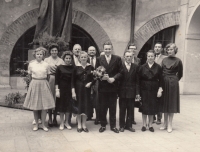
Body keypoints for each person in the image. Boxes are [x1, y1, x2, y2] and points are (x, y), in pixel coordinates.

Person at [23, 47, 55, 132]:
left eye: (41, 54)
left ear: (43, 55)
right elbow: (29, 76)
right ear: (35, 55)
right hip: (35, 84)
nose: (39, 56)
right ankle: (36, 124)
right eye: (38, 54)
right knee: (35, 106)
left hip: (44, 84)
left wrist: (43, 82)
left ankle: (43, 124)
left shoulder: (46, 65)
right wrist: (34, 83)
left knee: (44, 106)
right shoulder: (31, 64)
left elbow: (48, 76)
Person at [96, 41, 123, 133]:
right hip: (102, 87)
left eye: (109, 49)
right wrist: (101, 77)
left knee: (113, 107)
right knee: (102, 107)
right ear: (103, 49)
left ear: (111, 49)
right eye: (106, 49)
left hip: (113, 87)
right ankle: (103, 125)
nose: (107, 50)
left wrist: (113, 79)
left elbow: (121, 72)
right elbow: (96, 72)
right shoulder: (99, 58)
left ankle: (113, 126)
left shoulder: (117, 58)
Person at [159, 43, 183, 133]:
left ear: (175, 50)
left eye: (171, 49)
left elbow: (180, 74)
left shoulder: (178, 61)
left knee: (171, 103)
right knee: (165, 102)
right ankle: (164, 123)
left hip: (173, 83)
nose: (169, 51)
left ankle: (170, 124)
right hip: (164, 82)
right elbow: (161, 72)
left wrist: (174, 79)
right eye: (168, 50)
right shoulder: (164, 60)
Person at [138, 50, 163, 132]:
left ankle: (151, 124)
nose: (150, 58)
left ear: (154, 57)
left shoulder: (158, 67)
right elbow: (138, 80)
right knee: (144, 106)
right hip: (144, 89)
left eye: (152, 56)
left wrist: (160, 89)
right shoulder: (142, 67)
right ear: (146, 57)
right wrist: (138, 92)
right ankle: (144, 124)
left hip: (154, 89)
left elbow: (161, 80)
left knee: (152, 107)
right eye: (149, 56)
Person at [71, 51, 94, 133]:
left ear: (87, 58)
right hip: (78, 89)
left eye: (85, 57)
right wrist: (73, 92)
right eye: (82, 57)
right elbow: (72, 81)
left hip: (87, 90)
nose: (83, 58)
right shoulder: (76, 67)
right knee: (79, 106)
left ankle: (84, 124)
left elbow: (94, 78)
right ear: (79, 58)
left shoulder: (90, 67)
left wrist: (91, 83)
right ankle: (79, 124)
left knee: (86, 106)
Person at [44, 43, 65, 127]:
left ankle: (55, 118)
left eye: (56, 50)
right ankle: (49, 118)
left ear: (58, 51)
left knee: (56, 99)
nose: (54, 52)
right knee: (50, 99)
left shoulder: (61, 61)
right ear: (50, 51)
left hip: (58, 81)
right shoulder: (46, 60)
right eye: (52, 50)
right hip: (50, 80)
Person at [118, 51, 139, 132]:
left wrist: (137, 93)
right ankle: (122, 125)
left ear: (132, 57)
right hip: (122, 92)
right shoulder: (120, 66)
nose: (129, 58)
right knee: (122, 109)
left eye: (130, 56)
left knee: (130, 109)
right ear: (124, 57)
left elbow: (137, 81)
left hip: (131, 92)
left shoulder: (135, 67)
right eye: (127, 56)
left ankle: (129, 125)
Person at [55, 51, 74, 130]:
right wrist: (57, 90)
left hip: (69, 89)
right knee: (61, 107)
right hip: (61, 89)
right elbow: (56, 80)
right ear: (64, 59)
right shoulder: (59, 67)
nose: (68, 60)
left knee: (68, 107)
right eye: (66, 58)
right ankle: (61, 123)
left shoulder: (73, 68)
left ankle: (67, 122)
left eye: (69, 58)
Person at [124, 43, 141, 125]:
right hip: (125, 86)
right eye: (131, 48)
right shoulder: (123, 59)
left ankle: (131, 119)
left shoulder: (138, 60)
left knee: (132, 105)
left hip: (133, 85)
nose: (133, 50)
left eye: (134, 49)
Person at [153, 42, 167, 125]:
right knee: (152, 99)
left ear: (161, 49)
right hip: (152, 82)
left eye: (159, 47)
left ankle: (159, 118)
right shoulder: (151, 56)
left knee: (159, 100)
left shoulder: (164, 58)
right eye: (156, 47)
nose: (157, 48)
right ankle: (152, 117)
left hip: (160, 81)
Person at [87, 46, 100, 124]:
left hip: (97, 82)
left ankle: (98, 117)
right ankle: (89, 115)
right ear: (88, 51)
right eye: (90, 50)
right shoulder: (85, 59)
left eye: (93, 50)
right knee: (88, 98)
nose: (92, 51)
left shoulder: (99, 60)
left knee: (97, 99)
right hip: (88, 82)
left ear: (95, 51)